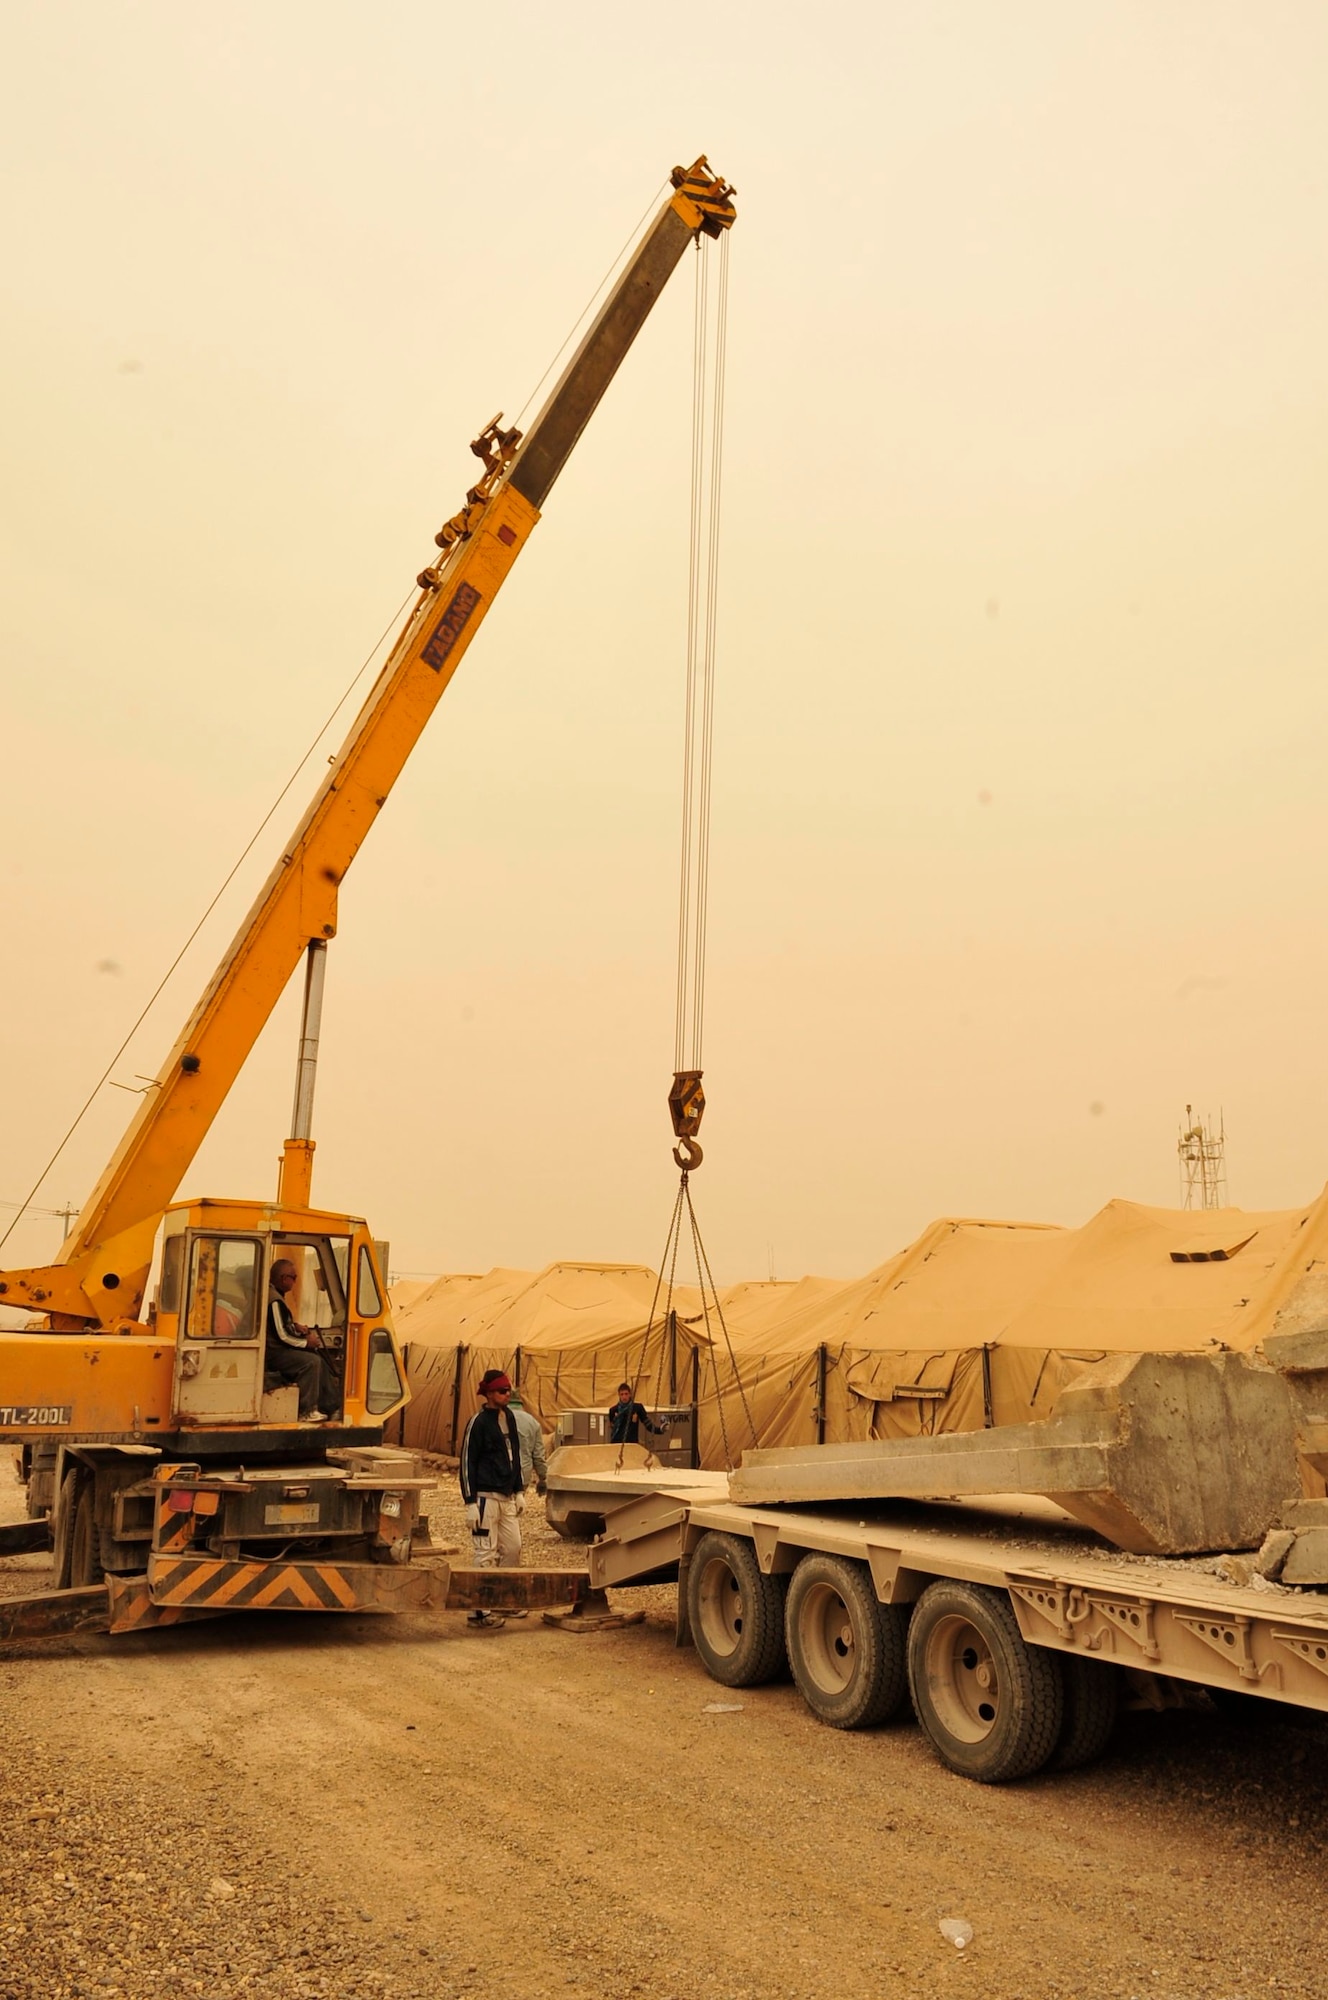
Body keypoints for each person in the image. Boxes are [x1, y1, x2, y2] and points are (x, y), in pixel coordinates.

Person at [459, 1369, 525, 1627]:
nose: (507, 1394)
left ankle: (503, 1601)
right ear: (488, 1393)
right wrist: (470, 1502)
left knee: (512, 1548)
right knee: (485, 1553)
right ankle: (479, 1611)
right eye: (502, 1391)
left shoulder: (509, 1417)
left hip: (506, 1497)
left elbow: (514, 1455)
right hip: (485, 1498)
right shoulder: (478, 1423)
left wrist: (519, 1490)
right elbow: (467, 1462)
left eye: (509, 1390)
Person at [264, 1258, 337, 1422]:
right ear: (284, 1278)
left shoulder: (275, 1296)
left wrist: (295, 1327)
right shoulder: (274, 1300)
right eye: (294, 1277)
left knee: (319, 1359)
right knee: (311, 1362)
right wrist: (306, 1342)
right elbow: (282, 1336)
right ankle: (306, 1411)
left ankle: (331, 1405)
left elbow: (280, 1325)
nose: (295, 1281)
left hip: (277, 1349)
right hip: (274, 1353)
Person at [507, 1389, 548, 1496]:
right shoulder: (533, 1422)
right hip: (523, 1474)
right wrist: (543, 1476)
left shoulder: (495, 1418)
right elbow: (538, 1455)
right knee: (517, 1506)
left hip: (498, 1475)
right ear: (520, 1403)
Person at [607, 1382, 668, 1447]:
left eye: (626, 1394)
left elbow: (648, 1424)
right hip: (616, 1444)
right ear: (619, 1395)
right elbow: (612, 1428)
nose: (624, 1397)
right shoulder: (613, 1410)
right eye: (622, 1394)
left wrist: (660, 1430)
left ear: (630, 1394)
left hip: (632, 1444)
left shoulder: (637, 1408)